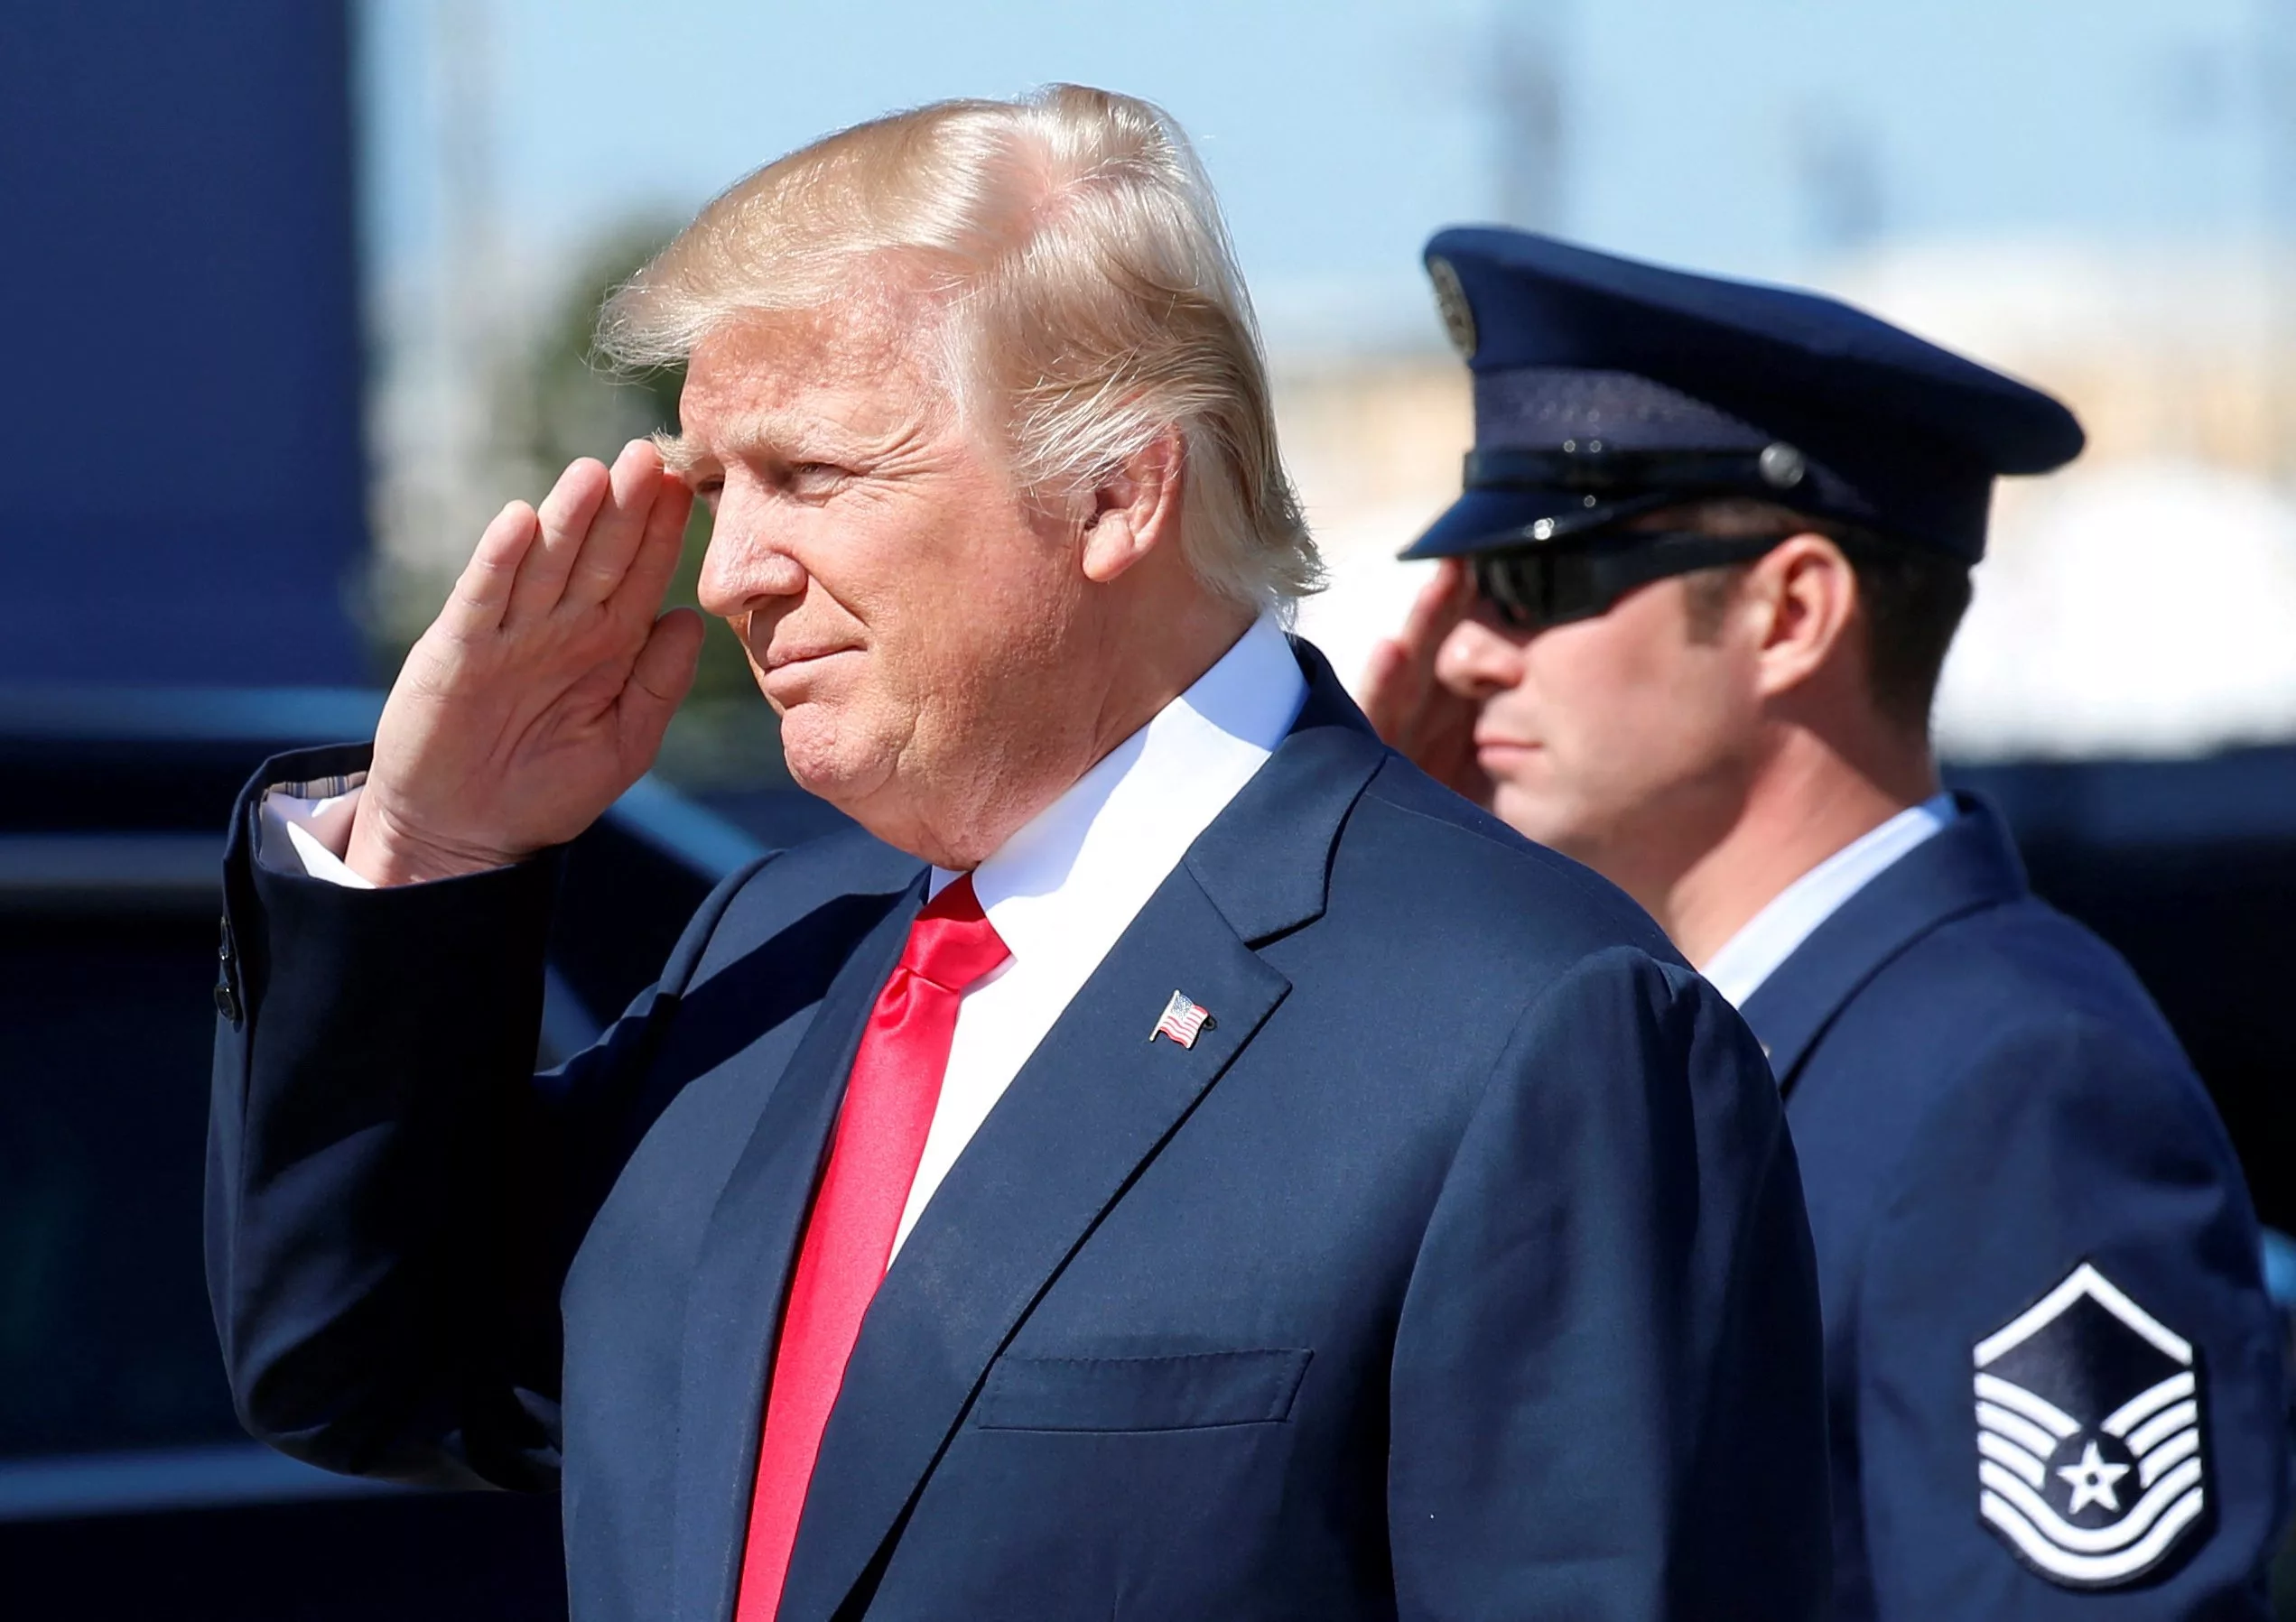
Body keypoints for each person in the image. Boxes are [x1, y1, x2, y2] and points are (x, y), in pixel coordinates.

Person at [204, 93, 1831, 1621]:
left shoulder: (1520, 1022)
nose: (730, 577)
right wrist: (431, 852)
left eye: (811, 476)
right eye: (718, 490)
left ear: (1118, 489)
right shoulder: (773, 951)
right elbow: (360, 1372)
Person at [1366, 226, 2291, 1618]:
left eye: (1542, 580)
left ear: (1791, 612)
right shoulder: (1645, 1048)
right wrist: (1400, 890)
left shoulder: (2017, 1090)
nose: (1463, 649)